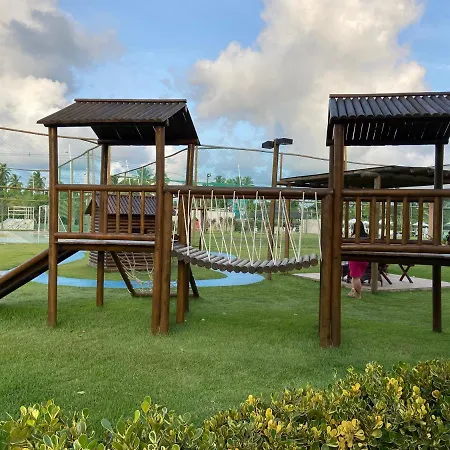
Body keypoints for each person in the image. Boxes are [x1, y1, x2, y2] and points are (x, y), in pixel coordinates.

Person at [348, 222, 369, 299]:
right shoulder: (367, 236)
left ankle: (359, 294)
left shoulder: (354, 237)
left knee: (356, 277)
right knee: (355, 277)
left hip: (355, 259)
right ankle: (353, 291)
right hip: (365, 259)